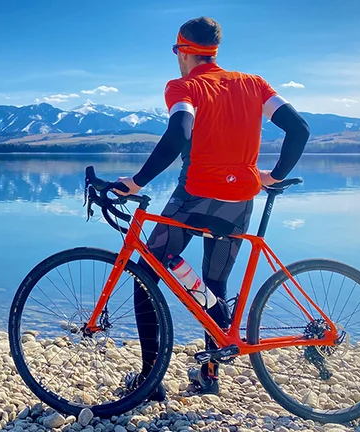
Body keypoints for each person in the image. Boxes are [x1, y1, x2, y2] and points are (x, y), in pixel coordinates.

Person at [114, 16, 310, 398]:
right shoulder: (255, 84)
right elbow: (299, 129)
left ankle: (150, 380)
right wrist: (274, 174)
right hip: (240, 201)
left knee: (146, 273)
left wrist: (136, 182)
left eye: (176, 51)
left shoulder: (184, 86)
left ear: (184, 51)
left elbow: (179, 131)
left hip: (195, 196)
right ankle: (209, 375)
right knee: (214, 283)